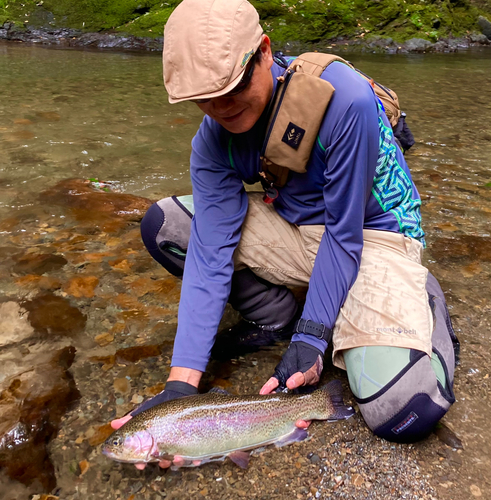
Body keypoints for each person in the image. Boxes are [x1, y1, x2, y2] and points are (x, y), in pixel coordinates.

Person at [111, 0, 459, 468]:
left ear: (265, 52)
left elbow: (345, 234)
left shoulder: (344, 100)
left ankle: (423, 300)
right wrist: (180, 389)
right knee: (170, 227)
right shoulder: (212, 141)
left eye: (231, 88)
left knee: (403, 411)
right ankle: (277, 315)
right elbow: (211, 253)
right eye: (204, 99)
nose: (220, 109)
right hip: (297, 230)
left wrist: (313, 339)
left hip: (374, 235)